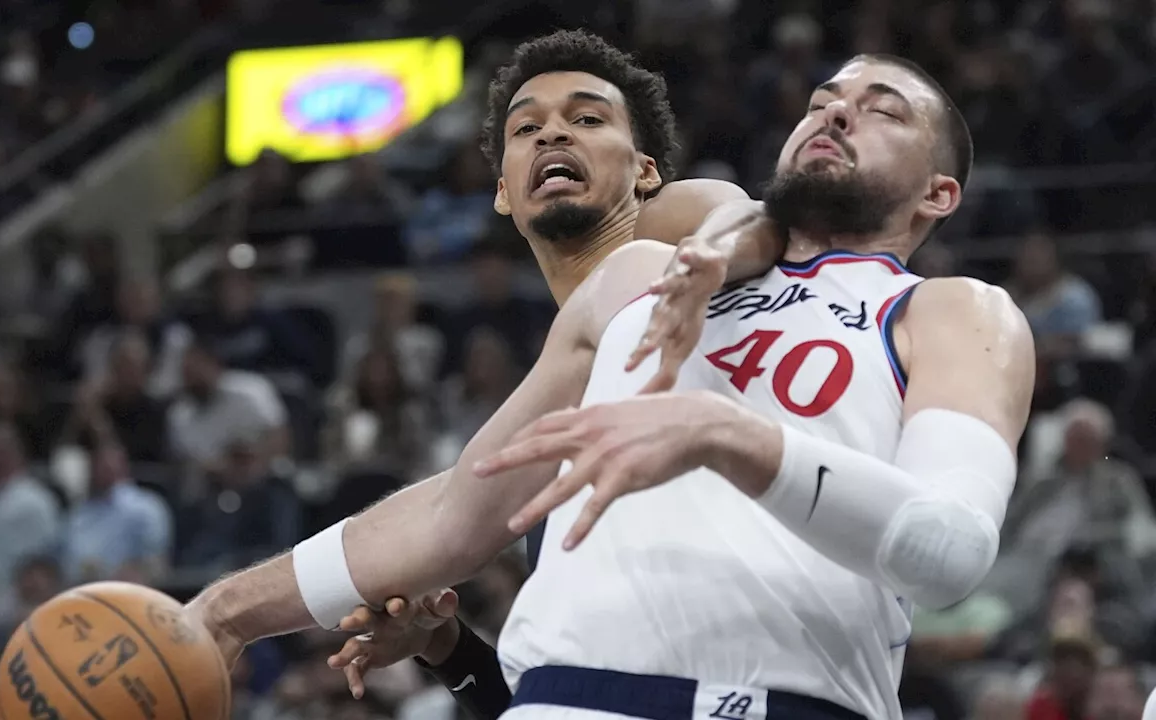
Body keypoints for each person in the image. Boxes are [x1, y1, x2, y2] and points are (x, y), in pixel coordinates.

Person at [194, 39, 1040, 720]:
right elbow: (458, 509)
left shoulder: (952, 311)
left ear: (939, 193)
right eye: (822, 103)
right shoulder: (635, 278)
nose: (838, 113)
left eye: (880, 109)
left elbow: (947, 551)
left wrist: (727, 435)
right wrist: (222, 612)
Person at [188, 27, 779, 713]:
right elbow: (540, 693)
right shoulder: (566, 398)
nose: (553, 135)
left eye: (587, 119)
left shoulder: (670, 254)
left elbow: (740, 213)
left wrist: (224, 612)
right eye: (527, 129)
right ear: (503, 192)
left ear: (646, 171)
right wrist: (450, 650)